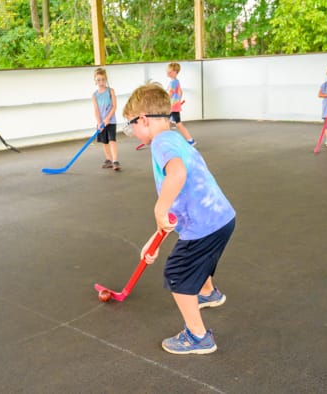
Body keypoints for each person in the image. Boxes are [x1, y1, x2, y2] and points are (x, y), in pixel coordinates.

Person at [123, 83, 236, 355]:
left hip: (204, 226)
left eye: (131, 126)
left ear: (143, 120)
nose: (133, 133)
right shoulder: (174, 137)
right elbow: (179, 200)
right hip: (221, 218)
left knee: (177, 274)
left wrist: (158, 209)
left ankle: (198, 337)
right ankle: (208, 293)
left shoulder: (161, 143)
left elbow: (176, 175)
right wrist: (156, 238)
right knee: (201, 259)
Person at [92, 68, 120, 171]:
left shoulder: (110, 91)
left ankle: (115, 161)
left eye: (103, 79)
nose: (101, 82)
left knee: (112, 140)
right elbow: (96, 110)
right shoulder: (94, 95)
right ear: (95, 81)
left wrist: (107, 119)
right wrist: (100, 123)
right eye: (98, 80)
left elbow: (114, 106)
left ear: (106, 79)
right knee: (105, 142)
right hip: (101, 123)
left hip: (111, 121)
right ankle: (108, 160)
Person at [166, 62, 195, 146]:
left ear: (175, 72)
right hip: (173, 106)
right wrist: (177, 100)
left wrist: (165, 100)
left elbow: (170, 94)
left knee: (178, 124)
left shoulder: (173, 82)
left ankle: (190, 140)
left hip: (172, 107)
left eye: (170, 71)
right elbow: (180, 92)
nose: (168, 73)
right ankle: (169, 141)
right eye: (167, 71)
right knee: (168, 124)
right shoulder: (176, 82)